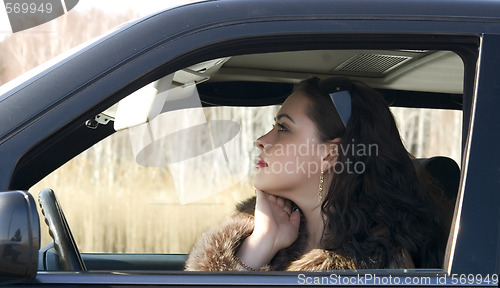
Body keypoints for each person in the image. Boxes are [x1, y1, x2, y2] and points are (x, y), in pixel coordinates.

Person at [184, 77, 446, 271]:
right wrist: (262, 242)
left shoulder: (381, 269)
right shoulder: (267, 237)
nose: (262, 140)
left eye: (283, 128)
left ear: (329, 155)